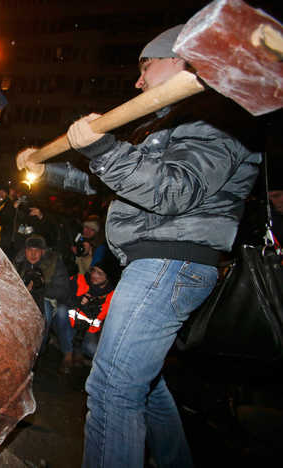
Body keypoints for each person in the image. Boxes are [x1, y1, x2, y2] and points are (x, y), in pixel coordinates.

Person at [20, 24, 261, 468]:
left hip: (170, 261)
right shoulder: (169, 123)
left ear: (180, 60)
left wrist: (106, 149)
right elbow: (100, 184)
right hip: (152, 263)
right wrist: (42, 164)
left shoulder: (215, 116)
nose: (137, 81)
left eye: (144, 66)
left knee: (112, 387)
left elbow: (174, 191)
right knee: (145, 389)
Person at [54, 254, 119, 375]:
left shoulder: (112, 295)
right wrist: (79, 301)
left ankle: (79, 353)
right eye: (94, 271)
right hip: (70, 324)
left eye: (100, 274)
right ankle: (68, 355)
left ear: (107, 277)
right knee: (61, 311)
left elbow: (110, 320)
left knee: (92, 350)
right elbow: (62, 296)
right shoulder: (79, 280)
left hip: (89, 331)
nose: (94, 276)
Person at [14, 235, 70, 355]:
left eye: (37, 250)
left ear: (43, 252)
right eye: (30, 250)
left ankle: (38, 351)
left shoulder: (54, 263)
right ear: (25, 251)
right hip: (22, 298)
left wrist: (41, 288)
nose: (33, 254)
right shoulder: (19, 263)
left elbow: (63, 290)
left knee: (44, 315)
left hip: (47, 299)